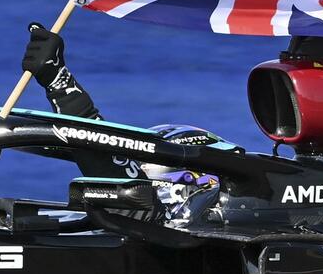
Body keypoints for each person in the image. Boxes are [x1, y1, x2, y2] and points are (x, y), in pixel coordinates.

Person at [21, 22, 224, 219]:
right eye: (137, 169)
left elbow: (138, 204)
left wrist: (59, 83)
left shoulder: (193, 237)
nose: (139, 174)